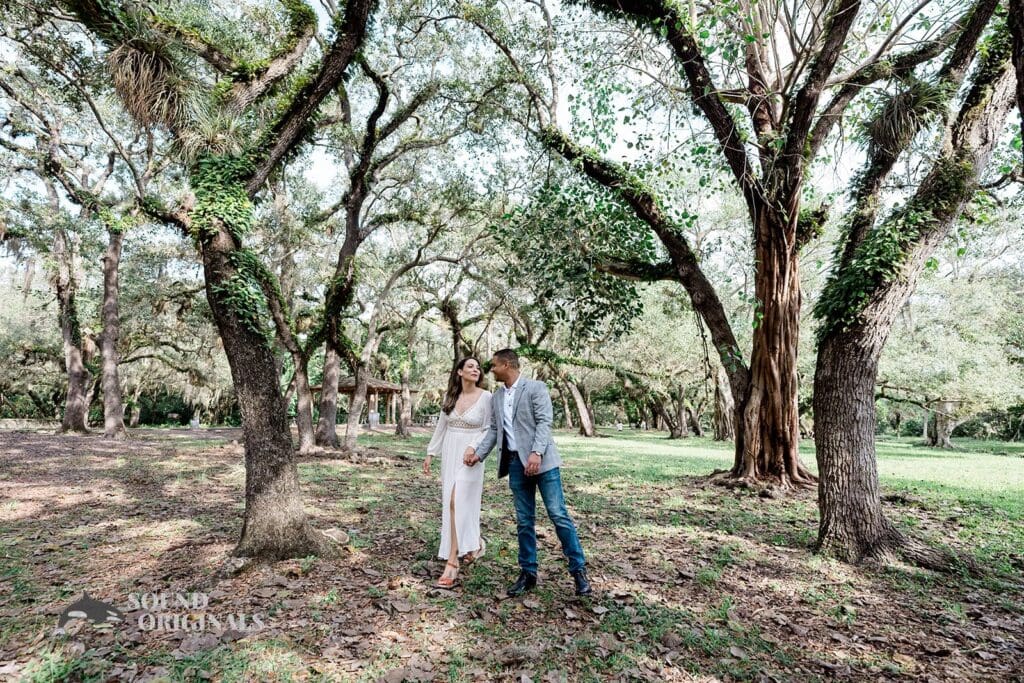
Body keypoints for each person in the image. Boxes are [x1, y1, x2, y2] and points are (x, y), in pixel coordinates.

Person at [463, 349, 592, 597]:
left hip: (543, 463)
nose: (491, 370)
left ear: (507, 364)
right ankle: (528, 573)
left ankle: (578, 571)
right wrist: (479, 454)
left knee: (558, 514)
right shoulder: (497, 397)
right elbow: (494, 430)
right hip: (515, 464)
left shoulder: (535, 388)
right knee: (524, 521)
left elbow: (544, 422)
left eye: (494, 365)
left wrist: (536, 452)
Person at [423, 357, 491, 588]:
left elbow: (489, 428)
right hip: (450, 452)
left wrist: (474, 447)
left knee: (457, 502)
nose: (475, 369)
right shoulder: (450, 396)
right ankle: (474, 543)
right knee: (452, 503)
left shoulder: (486, 397)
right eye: (470, 366)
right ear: (460, 372)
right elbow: (441, 427)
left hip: (471, 455)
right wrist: (431, 453)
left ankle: (453, 561)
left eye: (478, 367)